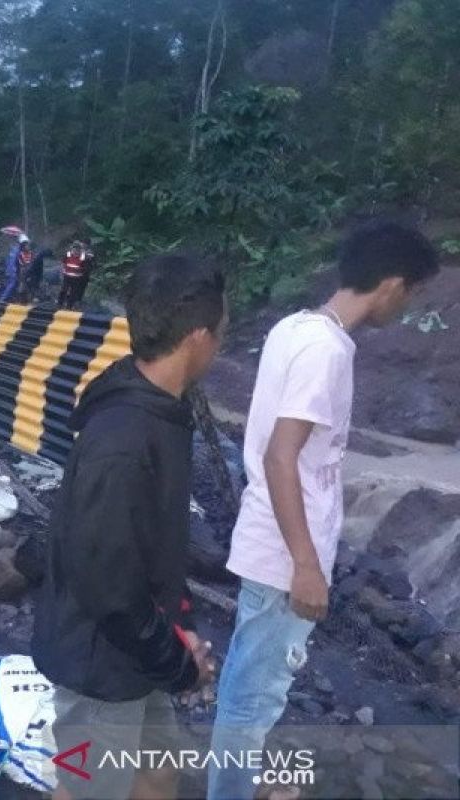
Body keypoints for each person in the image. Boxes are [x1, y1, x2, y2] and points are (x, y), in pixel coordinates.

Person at [207, 220, 439, 800]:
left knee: (252, 680)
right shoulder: (325, 350)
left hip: (272, 537)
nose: (408, 305)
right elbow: (282, 456)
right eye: (411, 292)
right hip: (285, 552)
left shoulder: (296, 328)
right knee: (253, 694)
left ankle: (242, 783)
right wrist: (307, 566)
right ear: (390, 284)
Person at [32, 253, 225, 800]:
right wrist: (178, 664)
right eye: (221, 331)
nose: (222, 343)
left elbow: (147, 547)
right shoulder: (123, 439)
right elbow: (107, 588)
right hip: (101, 665)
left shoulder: (159, 407)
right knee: (87, 787)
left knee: (157, 776)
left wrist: (179, 627)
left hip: (137, 651)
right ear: (197, 336)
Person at [58, 240, 96, 310]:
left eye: (78, 249)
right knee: (63, 290)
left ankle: (69, 306)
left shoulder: (84, 257)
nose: (76, 250)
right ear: (72, 248)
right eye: (74, 248)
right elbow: (63, 263)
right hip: (67, 276)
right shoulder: (68, 254)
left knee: (73, 293)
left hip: (77, 278)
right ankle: (59, 304)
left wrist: (83, 276)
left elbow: (87, 268)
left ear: (80, 249)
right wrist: (62, 272)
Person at [0, 233, 29, 302]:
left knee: (11, 284)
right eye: (25, 244)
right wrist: (14, 271)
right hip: (12, 271)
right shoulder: (16, 251)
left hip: (11, 270)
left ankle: (9, 299)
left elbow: (8, 260)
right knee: (12, 284)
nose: (26, 245)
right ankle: (3, 299)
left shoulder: (15, 250)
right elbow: (12, 262)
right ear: (22, 243)